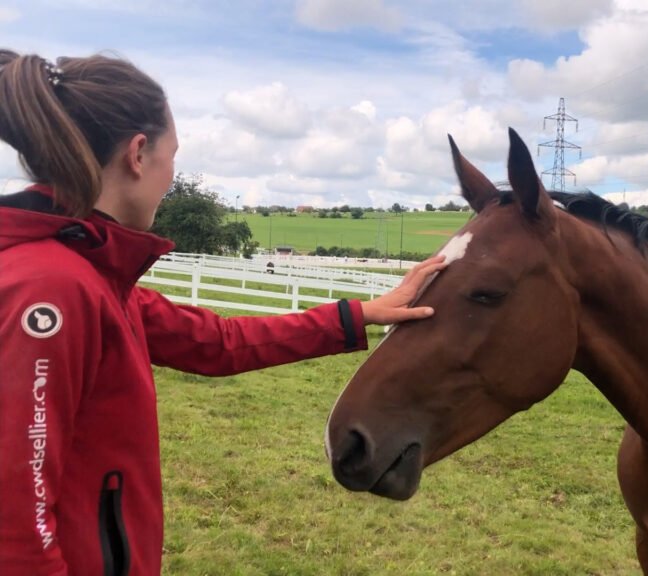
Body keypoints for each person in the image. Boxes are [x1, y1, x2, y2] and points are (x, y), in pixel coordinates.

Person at [0, 50, 446, 575]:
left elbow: (216, 343)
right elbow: (14, 527)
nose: (171, 174)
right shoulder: (52, 288)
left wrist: (360, 314)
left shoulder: (90, 273)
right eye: (174, 154)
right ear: (138, 154)